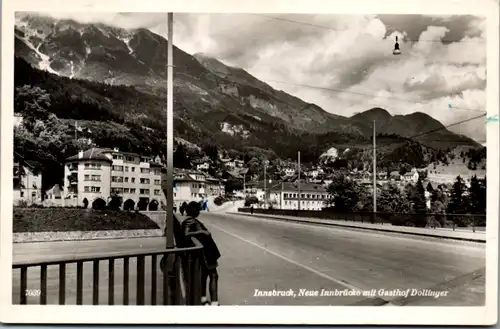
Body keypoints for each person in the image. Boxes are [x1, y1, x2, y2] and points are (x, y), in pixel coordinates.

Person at [183, 201, 221, 306]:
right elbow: (186, 234)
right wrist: (202, 232)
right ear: (195, 211)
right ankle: (214, 302)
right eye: (198, 210)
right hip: (206, 253)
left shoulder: (191, 220)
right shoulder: (190, 221)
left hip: (205, 252)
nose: (199, 212)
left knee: (204, 275)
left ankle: (203, 299)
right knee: (213, 275)